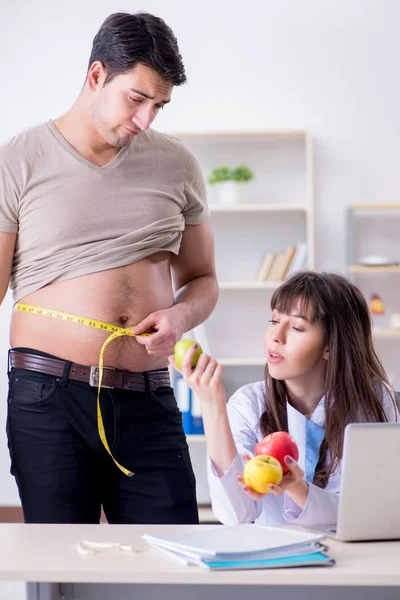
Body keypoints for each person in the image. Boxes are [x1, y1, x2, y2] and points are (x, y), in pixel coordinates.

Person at [0, 12, 218, 524]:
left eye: (159, 106)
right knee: (61, 572)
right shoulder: (18, 160)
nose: (145, 120)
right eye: (137, 99)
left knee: (172, 565)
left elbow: (203, 280)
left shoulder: (178, 163)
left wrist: (180, 319)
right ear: (96, 75)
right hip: (48, 399)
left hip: (149, 396)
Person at [171, 271, 399, 526]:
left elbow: (370, 511)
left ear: (330, 346)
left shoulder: (375, 399)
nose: (276, 336)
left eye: (297, 327)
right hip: (271, 560)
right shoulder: (249, 404)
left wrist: (297, 488)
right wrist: (212, 405)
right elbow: (236, 515)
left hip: (354, 558)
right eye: (273, 320)